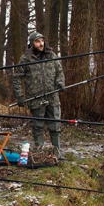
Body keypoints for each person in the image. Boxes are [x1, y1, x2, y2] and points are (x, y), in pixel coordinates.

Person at [13, 31, 65, 159]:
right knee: (38, 126)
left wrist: (60, 83)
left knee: (55, 126)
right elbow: (17, 78)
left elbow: (59, 72)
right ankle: (40, 152)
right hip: (35, 98)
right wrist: (20, 95)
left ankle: (57, 152)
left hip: (52, 97)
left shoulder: (52, 55)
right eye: (37, 41)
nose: (41, 44)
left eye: (42, 41)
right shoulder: (25, 59)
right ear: (31, 43)